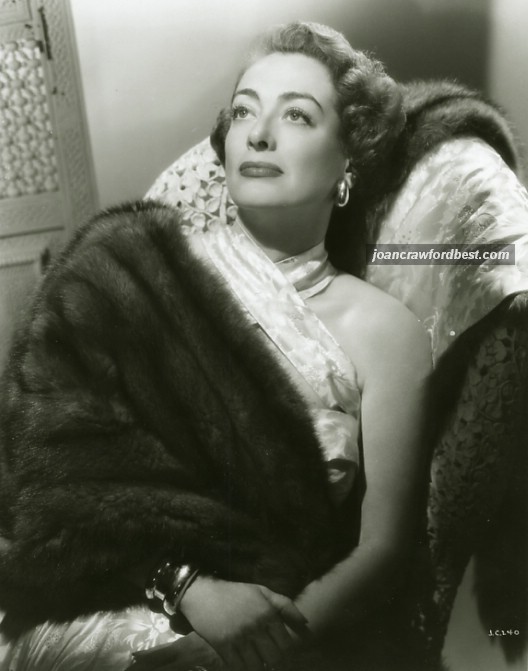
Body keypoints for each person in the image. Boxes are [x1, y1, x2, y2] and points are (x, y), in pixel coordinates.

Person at [4, 19, 515, 671]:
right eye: (245, 111)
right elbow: (46, 478)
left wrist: (246, 650)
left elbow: (381, 549)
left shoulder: (384, 332)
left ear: (348, 164)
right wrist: (190, 586)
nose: (259, 133)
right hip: (105, 594)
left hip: (283, 624)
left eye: (297, 115)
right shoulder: (129, 270)